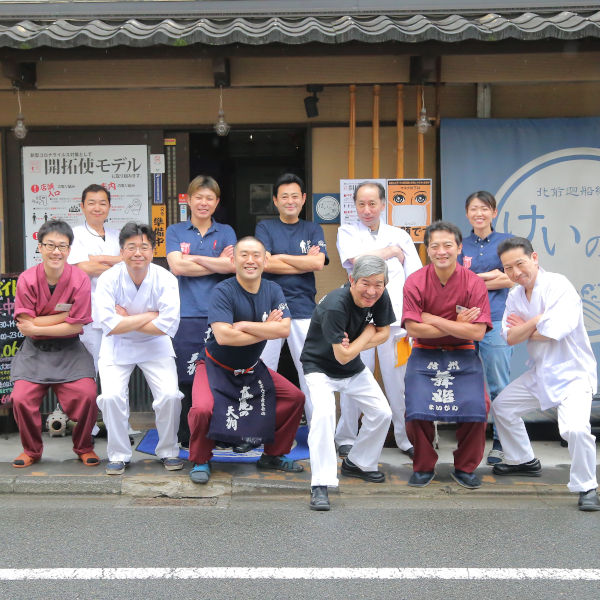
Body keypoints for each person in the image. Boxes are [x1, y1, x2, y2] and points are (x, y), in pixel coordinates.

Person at [491, 236, 600, 511]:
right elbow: (510, 337)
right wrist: (538, 321)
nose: (515, 273)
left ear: (535, 258)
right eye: (508, 269)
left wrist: (528, 325)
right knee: (502, 406)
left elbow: (556, 331)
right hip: (540, 373)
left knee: (575, 429)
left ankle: (587, 487)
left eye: (520, 264)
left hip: (572, 374)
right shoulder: (515, 295)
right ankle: (524, 460)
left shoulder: (559, 285)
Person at [187, 237, 305, 485]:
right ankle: (200, 459)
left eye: (256, 255)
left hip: (251, 368)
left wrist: (248, 326)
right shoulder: (223, 290)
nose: (250, 260)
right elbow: (223, 336)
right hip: (214, 366)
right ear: (233, 260)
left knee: (294, 398)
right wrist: (265, 328)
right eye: (244, 255)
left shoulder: (273, 290)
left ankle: (273, 455)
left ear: (265, 259)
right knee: (202, 410)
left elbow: (283, 330)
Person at [300, 255, 394, 511]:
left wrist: (357, 343)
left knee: (382, 413)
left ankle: (358, 462)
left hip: (353, 369)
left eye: (379, 284)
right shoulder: (334, 305)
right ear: (351, 280)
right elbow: (342, 356)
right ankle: (320, 483)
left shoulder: (379, 295)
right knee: (324, 415)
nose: (372, 291)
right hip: (319, 368)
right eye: (366, 283)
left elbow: (384, 332)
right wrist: (367, 333)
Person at [335, 181, 422, 459]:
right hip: (357, 320)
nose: (367, 209)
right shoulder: (346, 231)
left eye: (373, 203)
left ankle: (405, 437)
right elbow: (355, 262)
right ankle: (347, 436)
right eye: (361, 204)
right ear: (354, 206)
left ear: (384, 205)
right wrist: (389, 252)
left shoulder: (400, 235)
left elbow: (415, 277)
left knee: (398, 381)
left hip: (394, 319)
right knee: (354, 376)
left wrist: (412, 318)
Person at [402, 220, 491, 489]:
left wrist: (432, 319)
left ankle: (464, 467)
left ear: (459, 248)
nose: (442, 251)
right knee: (416, 408)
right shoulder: (415, 281)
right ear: (427, 250)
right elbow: (411, 327)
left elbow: (476, 334)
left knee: (478, 407)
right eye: (435, 246)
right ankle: (423, 464)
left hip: (463, 353)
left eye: (448, 245)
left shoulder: (473, 282)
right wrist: (457, 323)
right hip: (424, 352)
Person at [95, 222, 183, 475]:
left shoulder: (165, 278)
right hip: (116, 345)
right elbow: (108, 326)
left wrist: (125, 320)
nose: (137, 253)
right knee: (111, 397)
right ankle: (119, 454)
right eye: (131, 247)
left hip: (155, 344)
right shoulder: (108, 279)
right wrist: (149, 316)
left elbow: (167, 326)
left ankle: (168, 450)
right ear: (121, 251)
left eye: (144, 246)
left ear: (153, 250)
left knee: (169, 396)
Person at [10, 220, 99, 468]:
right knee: (20, 398)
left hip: (70, 349)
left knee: (88, 394)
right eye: (50, 245)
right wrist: (63, 317)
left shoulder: (79, 279)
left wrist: (38, 325)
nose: (56, 251)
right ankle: (31, 450)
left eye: (62, 246)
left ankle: (84, 446)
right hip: (35, 351)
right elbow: (26, 326)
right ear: (40, 247)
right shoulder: (27, 279)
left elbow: (76, 326)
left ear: (69, 250)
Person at [166, 175, 236, 449]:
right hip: (185, 315)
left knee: (220, 375)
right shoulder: (175, 231)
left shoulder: (227, 231)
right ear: (189, 200)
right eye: (199, 197)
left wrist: (193, 258)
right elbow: (177, 267)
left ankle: (219, 435)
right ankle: (187, 435)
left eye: (209, 198)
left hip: (220, 314)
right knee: (186, 376)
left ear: (216, 202)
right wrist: (216, 262)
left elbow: (233, 267)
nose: (203, 203)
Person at [255, 173, 328, 417]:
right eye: (284, 196)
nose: (290, 201)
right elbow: (263, 264)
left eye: (295, 196)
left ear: (304, 198)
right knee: (264, 371)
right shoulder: (265, 227)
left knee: (310, 373)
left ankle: (316, 432)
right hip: (270, 309)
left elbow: (318, 263)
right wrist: (303, 261)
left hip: (304, 308)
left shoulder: (312, 228)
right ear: (275, 200)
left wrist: (279, 257)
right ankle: (258, 431)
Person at [459, 191, 514, 465]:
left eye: (484, 208)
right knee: (467, 384)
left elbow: (511, 280)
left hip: (497, 320)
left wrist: (474, 280)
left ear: (494, 212)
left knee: (498, 386)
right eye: (473, 209)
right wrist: (490, 276)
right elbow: (456, 283)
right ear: (467, 213)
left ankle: (502, 442)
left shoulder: (506, 242)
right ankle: (470, 442)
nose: (479, 213)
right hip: (466, 322)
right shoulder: (461, 244)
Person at [67, 184, 122, 371]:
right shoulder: (75, 234)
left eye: (102, 203)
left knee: (117, 367)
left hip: (119, 311)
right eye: (91, 203)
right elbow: (84, 267)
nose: (97, 208)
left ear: (109, 207)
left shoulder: (118, 236)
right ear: (82, 206)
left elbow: (132, 264)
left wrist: (100, 259)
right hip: (90, 311)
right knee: (91, 367)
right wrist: (119, 263)